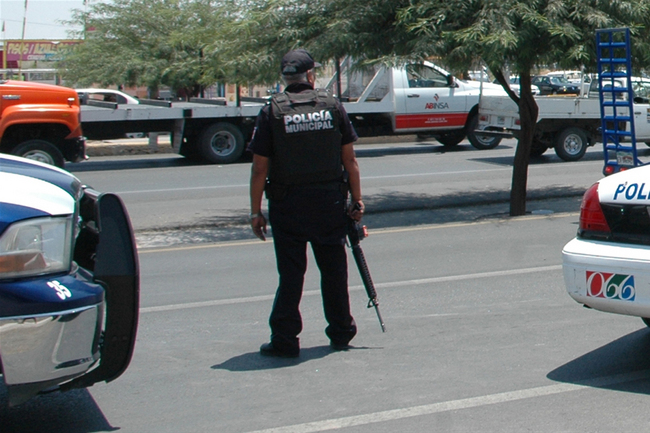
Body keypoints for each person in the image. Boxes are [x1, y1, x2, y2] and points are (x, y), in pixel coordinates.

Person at [248, 48, 364, 358]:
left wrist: (256, 212)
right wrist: (357, 201)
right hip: (329, 203)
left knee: (291, 275)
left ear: (284, 77)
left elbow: (259, 168)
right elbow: (350, 161)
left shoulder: (272, 111)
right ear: (311, 75)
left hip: (288, 206)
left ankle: (285, 339)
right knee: (334, 271)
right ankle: (341, 332)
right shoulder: (332, 106)